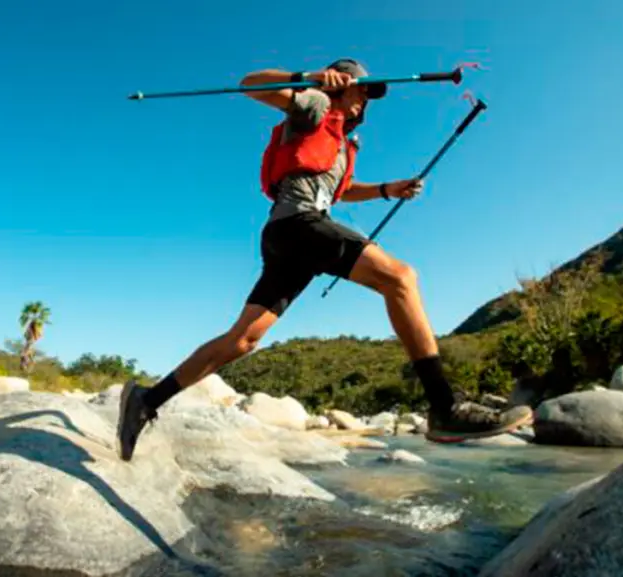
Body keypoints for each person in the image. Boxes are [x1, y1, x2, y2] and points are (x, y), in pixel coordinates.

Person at [117, 58, 532, 461]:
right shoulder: (314, 105)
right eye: (362, 89)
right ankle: (444, 407)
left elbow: (343, 190)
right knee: (400, 278)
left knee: (243, 339)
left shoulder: (342, 145)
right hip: (299, 224)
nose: (365, 100)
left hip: (290, 237)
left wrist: (389, 189)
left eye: (370, 95)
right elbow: (250, 83)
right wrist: (309, 78)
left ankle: (146, 400)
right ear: (341, 82)